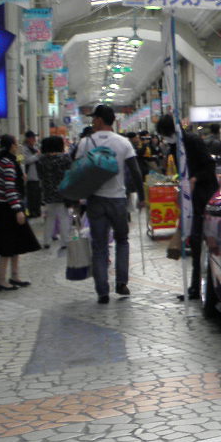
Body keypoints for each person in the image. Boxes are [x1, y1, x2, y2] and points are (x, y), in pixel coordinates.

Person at [74, 104, 144, 304]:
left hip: (95, 200)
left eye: (94, 118)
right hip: (118, 199)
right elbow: (135, 171)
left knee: (99, 246)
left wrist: (76, 197)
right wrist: (142, 196)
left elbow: (76, 170)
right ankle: (121, 283)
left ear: (99, 120)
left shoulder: (85, 143)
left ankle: (102, 291)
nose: (92, 122)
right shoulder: (123, 142)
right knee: (122, 240)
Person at [156, 113, 218, 300]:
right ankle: (194, 288)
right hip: (189, 198)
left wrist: (194, 179)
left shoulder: (192, 141)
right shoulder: (175, 146)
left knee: (199, 242)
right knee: (194, 241)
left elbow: (209, 166)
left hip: (202, 197)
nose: (164, 138)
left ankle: (199, 288)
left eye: (164, 134)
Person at [0, 134, 41, 291]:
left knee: (16, 242)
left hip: (1, 206)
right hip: (6, 208)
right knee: (7, 244)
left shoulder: (1, 161)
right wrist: (17, 209)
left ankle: (14, 276)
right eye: (15, 144)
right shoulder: (8, 163)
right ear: (11, 146)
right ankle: (1, 280)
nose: (17, 147)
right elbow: (9, 189)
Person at [36, 135, 73, 249]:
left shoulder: (41, 160)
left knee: (49, 217)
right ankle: (65, 241)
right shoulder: (65, 158)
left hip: (48, 191)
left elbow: (40, 176)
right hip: (63, 191)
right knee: (63, 217)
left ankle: (46, 241)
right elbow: (70, 173)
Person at [21, 131, 42, 218]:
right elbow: (26, 160)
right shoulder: (24, 149)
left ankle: (37, 211)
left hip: (37, 175)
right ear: (28, 139)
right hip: (30, 176)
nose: (34, 139)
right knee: (31, 195)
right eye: (32, 138)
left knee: (37, 195)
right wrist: (37, 155)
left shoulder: (35, 148)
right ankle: (32, 212)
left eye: (34, 137)